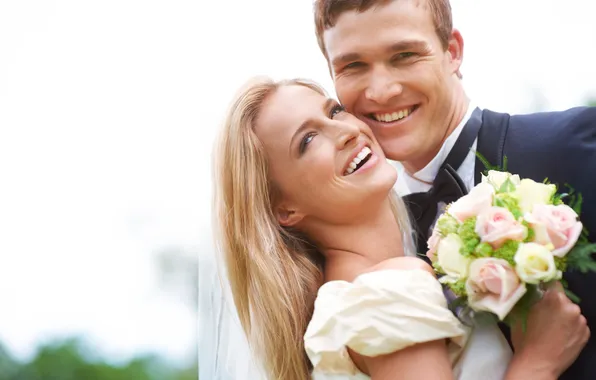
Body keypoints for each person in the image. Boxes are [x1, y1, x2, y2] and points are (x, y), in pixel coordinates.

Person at [212, 76, 588, 380]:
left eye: (336, 111)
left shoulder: (358, 293)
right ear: (284, 209)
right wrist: (538, 363)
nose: (345, 131)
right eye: (308, 141)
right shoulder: (384, 292)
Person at [313, 1, 596, 378]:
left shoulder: (574, 146)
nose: (381, 91)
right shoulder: (372, 256)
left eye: (404, 55)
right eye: (353, 65)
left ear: (452, 52)